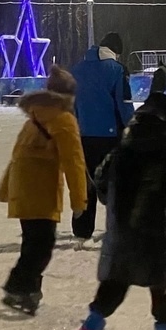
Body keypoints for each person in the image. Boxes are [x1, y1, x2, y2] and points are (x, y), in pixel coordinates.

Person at [74, 93, 166, 330]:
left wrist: (117, 202)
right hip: (154, 237)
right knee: (161, 292)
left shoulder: (120, 151)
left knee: (114, 288)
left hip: (121, 236)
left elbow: (101, 181)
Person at [0, 65, 88, 315]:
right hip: (41, 193)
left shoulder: (36, 115)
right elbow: (74, 162)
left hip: (24, 191)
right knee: (42, 245)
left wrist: (8, 190)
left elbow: (18, 157)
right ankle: (18, 286)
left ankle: (29, 292)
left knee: (33, 243)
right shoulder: (64, 119)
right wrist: (79, 201)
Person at [69, 32, 132, 245]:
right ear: (116, 52)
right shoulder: (117, 71)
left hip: (83, 135)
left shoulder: (77, 70)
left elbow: (71, 105)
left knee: (86, 183)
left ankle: (82, 230)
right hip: (110, 136)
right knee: (115, 184)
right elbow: (124, 104)